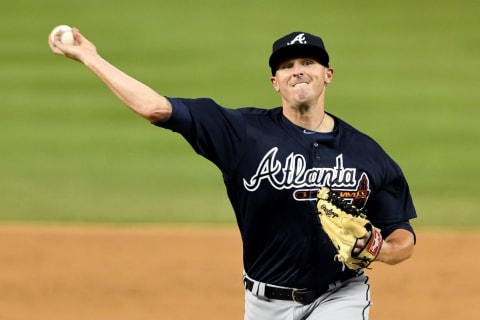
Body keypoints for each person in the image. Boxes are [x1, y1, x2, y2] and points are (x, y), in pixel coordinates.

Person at [49, 29, 417, 320]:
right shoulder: (240, 131)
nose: (298, 70)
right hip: (264, 302)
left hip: (341, 294)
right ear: (275, 82)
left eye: (308, 62)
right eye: (287, 66)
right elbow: (154, 107)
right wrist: (89, 57)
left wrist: (381, 249)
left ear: (327, 75)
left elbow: (403, 237)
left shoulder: (367, 153)